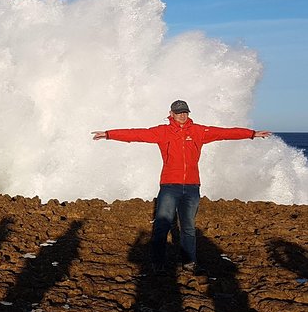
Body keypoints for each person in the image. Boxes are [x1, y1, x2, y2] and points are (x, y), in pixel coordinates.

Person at [92, 100, 272, 275]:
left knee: (188, 227)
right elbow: (136, 134)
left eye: (185, 112)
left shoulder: (199, 131)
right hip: (170, 186)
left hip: (192, 187)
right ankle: (157, 265)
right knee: (162, 226)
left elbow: (225, 133)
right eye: (178, 113)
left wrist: (251, 134)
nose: (182, 115)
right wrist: (109, 134)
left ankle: (189, 263)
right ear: (171, 114)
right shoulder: (162, 132)